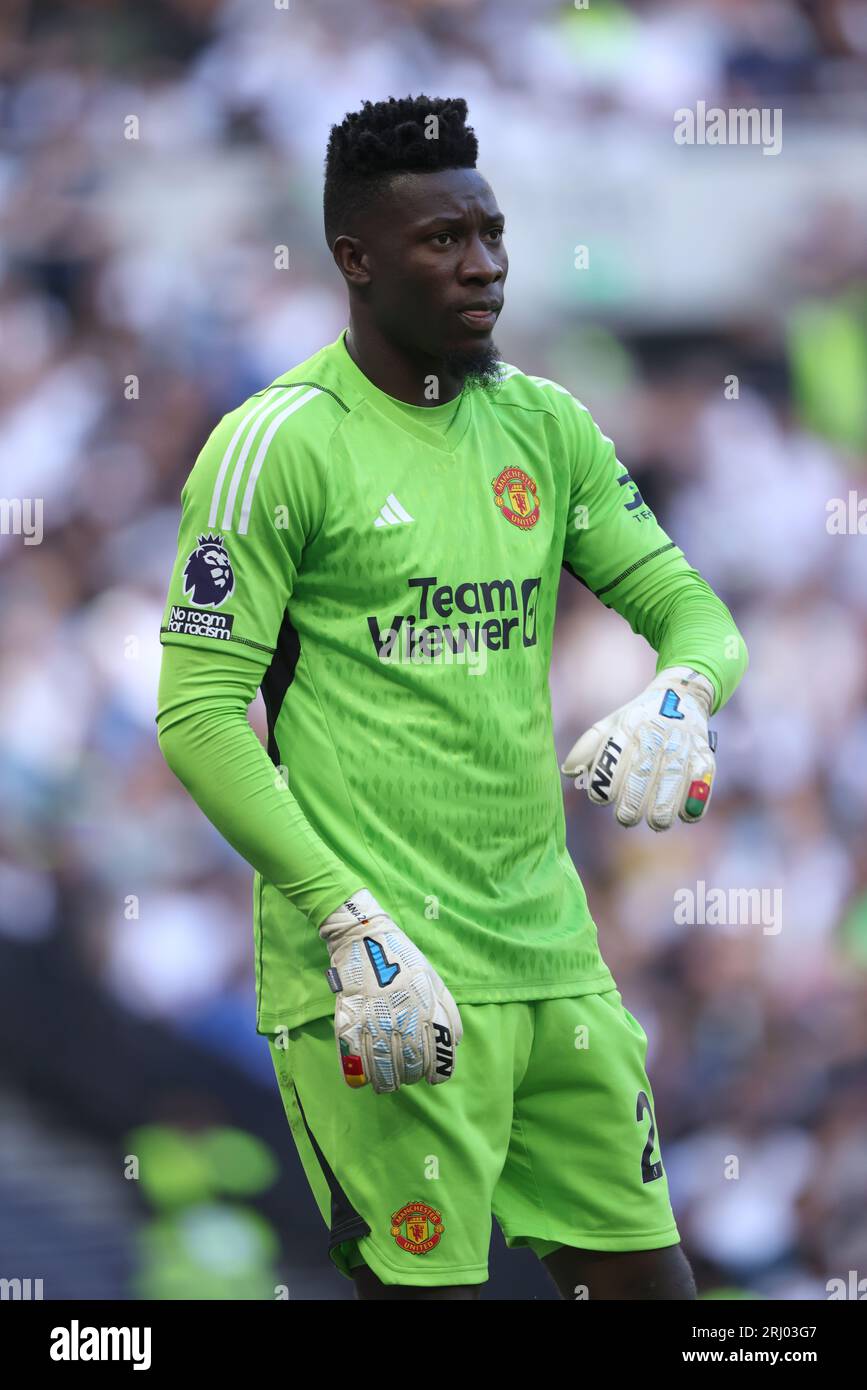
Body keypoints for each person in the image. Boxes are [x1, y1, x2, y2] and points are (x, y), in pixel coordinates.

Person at [156, 94, 748, 1300]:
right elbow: (200, 715)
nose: (484, 267)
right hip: (382, 980)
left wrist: (684, 693)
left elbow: (697, 613)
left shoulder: (545, 424)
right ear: (355, 260)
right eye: (444, 241)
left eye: (492, 233)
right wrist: (343, 918)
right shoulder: (278, 444)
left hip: (553, 964)